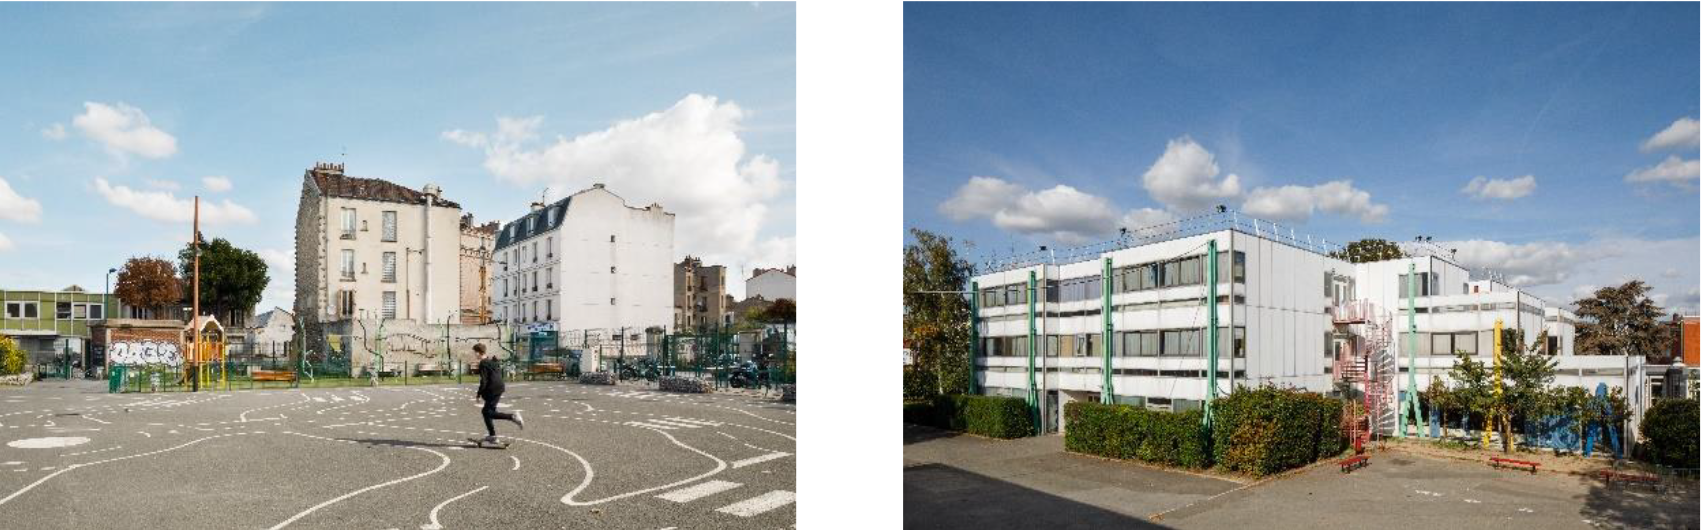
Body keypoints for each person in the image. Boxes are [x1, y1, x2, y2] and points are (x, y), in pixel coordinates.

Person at [474, 344, 523, 443]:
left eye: (475, 352)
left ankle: (513, 417)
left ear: (478, 352)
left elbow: (483, 380)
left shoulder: (483, 363)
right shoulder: (492, 361)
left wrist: (478, 394)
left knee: (488, 412)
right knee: (487, 412)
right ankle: (492, 436)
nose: (475, 355)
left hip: (492, 389)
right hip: (499, 387)